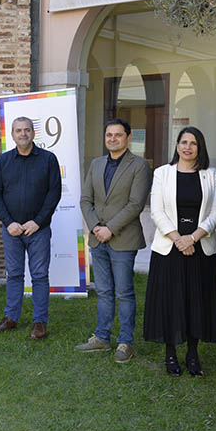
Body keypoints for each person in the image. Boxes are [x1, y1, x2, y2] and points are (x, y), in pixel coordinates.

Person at [144, 126, 216, 377]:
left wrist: (193, 238)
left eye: (193, 143)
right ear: (177, 145)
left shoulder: (211, 174)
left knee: (196, 301)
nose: (187, 147)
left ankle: (193, 354)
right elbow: (156, 210)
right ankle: (170, 354)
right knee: (171, 300)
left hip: (201, 248)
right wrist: (179, 239)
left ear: (200, 148)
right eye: (183, 142)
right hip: (170, 248)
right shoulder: (161, 173)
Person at [76, 118, 151, 362]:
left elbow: (136, 204)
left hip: (123, 240)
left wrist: (110, 229)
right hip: (98, 239)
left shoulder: (139, 165)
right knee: (105, 291)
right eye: (109, 135)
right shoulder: (96, 164)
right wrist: (96, 227)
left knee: (124, 293)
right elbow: (86, 199)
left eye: (118, 135)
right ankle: (101, 337)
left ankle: (125, 342)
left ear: (128, 137)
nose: (113, 139)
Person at [0, 117, 61, 339]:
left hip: (38, 229)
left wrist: (38, 221)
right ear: (12, 135)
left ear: (33, 133)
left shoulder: (48, 160)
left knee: (39, 275)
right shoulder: (3, 161)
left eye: (27, 130)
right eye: (18, 130)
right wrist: (8, 222)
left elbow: (54, 193)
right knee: (14, 274)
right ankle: (11, 317)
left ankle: (39, 322)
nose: (23, 134)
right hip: (11, 230)